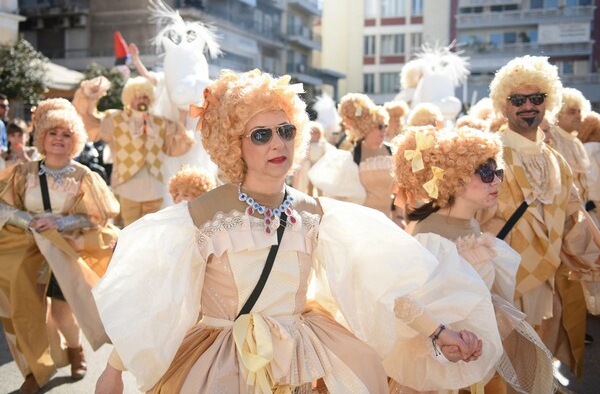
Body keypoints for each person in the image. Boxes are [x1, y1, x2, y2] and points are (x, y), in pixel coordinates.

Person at [93, 69, 503, 394]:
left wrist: (439, 332)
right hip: (223, 365)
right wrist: (113, 372)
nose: (278, 143)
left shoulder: (316, 213)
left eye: (286, 130)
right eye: (261, 134)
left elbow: (384, 287)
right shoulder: (205, 212)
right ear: (234, 144)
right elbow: (157, 297)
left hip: (302, 359)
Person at [393, 125, 555, 394]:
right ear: (454, 178)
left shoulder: (471, 225)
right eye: (485, 172)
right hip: (446, 365)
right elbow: (415, 312)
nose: (496, 181)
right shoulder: (431, 234)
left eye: (497, 171)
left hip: (474, 355)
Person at [479, 55, 600, 378]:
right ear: (503, 106)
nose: (528, 106)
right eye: (518, 99)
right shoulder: (488, 154)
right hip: (501, 283)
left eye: (536, 98)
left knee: (538, 367)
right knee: (504, 372)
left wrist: (591, 260)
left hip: (547, 282)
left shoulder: (556, 159)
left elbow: (573, 219)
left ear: (548, 102)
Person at [0, 98, 120, 393]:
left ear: (75, 140)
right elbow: (3, 207)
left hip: (67, 252)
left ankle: (76, 350)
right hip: (26, 252)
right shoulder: (24, 172)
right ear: (41, 136)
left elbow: (98, 215)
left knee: (61, 314)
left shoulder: (83, 176)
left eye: (66, 134)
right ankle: (34, 370)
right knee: (26, 313)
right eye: (53, 133)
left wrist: (60, 223)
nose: (59, 139)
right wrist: (28, 220)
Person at [78, 76, 195, 226]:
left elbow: (175, 145)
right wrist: (90, 97)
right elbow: (90, 121)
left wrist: (183, 117)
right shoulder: (115, 118)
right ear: (129, 98)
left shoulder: (159, 122)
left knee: (152, 230)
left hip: (154, 187)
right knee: (130, 230)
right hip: (127, 185)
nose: (142, 100)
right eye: (137, 97)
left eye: (145, 97)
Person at [309, 93, 395, 217]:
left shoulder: (391, 151)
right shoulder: (353, 156)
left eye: (385, 126)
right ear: (367, 126)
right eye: (380, 126)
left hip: (390, 221)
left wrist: (399, 216)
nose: (384, 130)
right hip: (364, 222)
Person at [550, 87, 592, 208]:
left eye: (579, 112)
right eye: (572, 112)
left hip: (582, 208)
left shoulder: (576, 142)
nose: (578, 116)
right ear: (558, 114)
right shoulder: (551, 138)